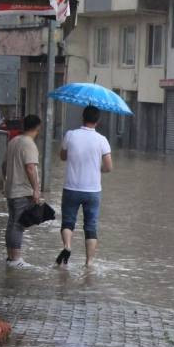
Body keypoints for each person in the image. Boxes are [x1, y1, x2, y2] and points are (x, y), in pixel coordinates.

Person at [57, 106, 112, 267]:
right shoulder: (102, 139)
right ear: (98, 121)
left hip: (71, 188)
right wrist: (98, 168)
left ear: (82, 118)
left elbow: (62, 156)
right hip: (93, 191)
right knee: (91, 226)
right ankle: (89, 262)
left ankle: (67, 246)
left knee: (68, 221)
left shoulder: (71, 135)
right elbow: (109, 167)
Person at [1, 115, 42, 268]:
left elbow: (4, 165)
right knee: (18, 225)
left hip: (11, 190)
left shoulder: (13, 141)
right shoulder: (29, 144)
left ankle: (11, 257)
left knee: (12, 223)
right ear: (38, 128)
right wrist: (36, 189)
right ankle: (16, 258)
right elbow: (30, 168)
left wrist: (6, 182)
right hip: (22, 191)